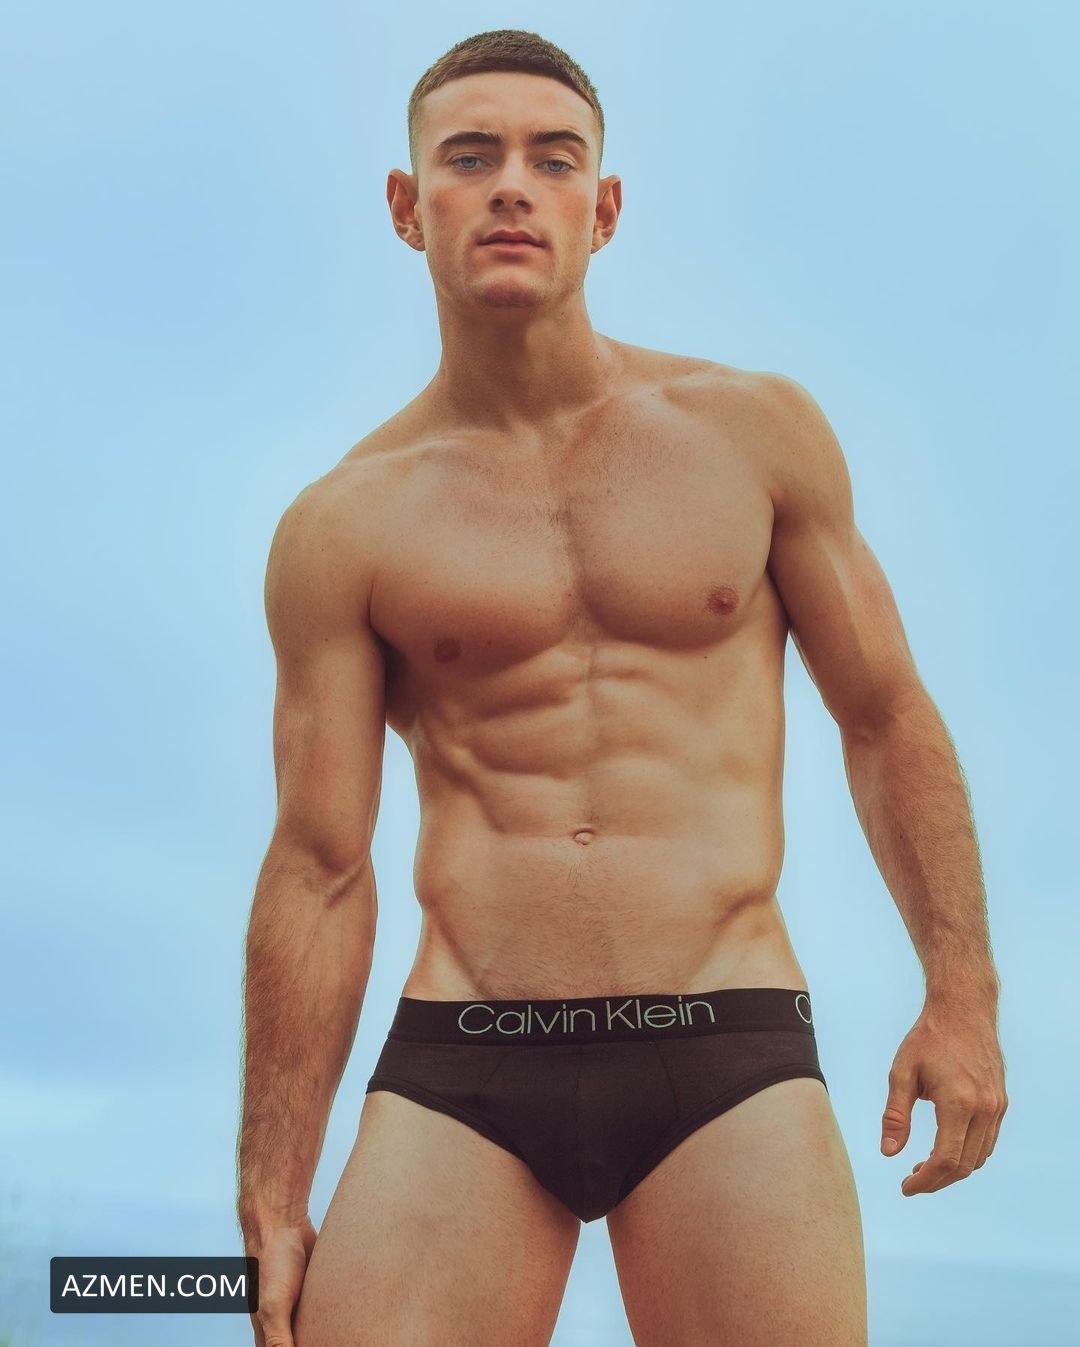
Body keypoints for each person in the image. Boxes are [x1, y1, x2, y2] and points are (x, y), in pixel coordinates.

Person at [236, 27, 1007, 1347]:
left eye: (554, 159)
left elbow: (884, 718)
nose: (512, 186)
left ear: (604, 209)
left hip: (725, 1043)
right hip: (465, 1058)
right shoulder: (343, 526)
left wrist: (963, 994)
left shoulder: (752, 435)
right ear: (408, 207)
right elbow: (320, 864)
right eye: (470, 158)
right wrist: (271, 1185)